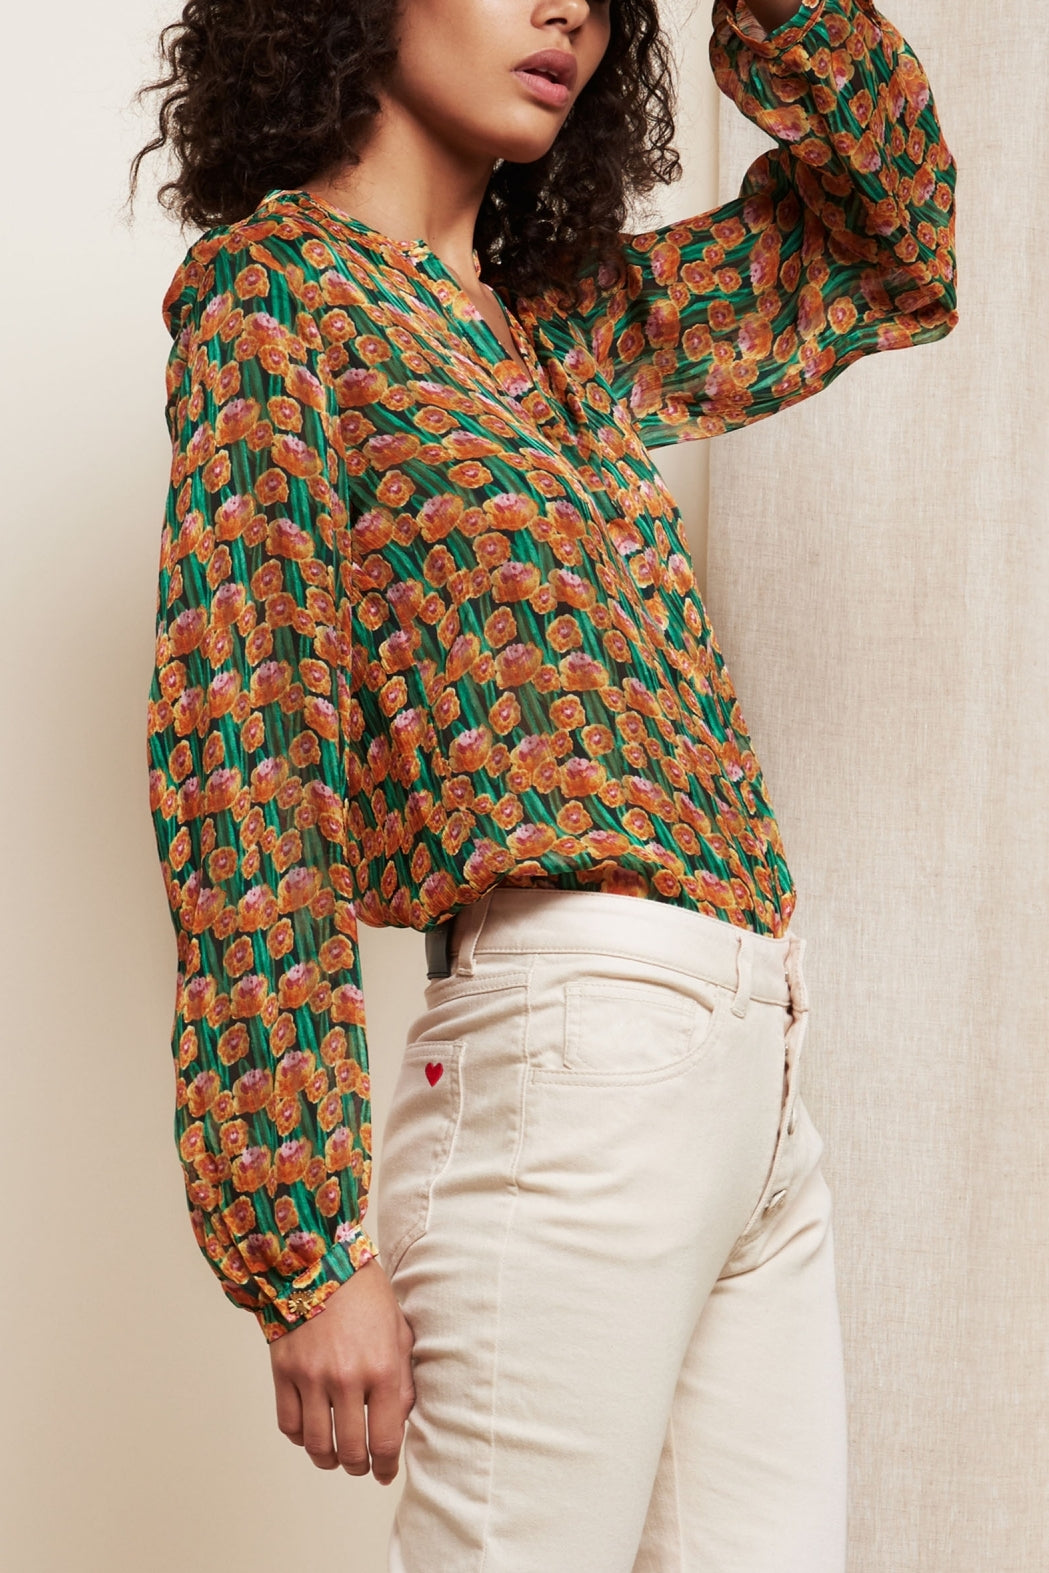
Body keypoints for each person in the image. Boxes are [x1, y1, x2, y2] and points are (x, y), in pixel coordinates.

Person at [134, 0, 957, 1566]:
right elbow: (245, 757)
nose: (566, 8)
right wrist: (299, 1241)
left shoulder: (564, 325)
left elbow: (892, 240)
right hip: (565, 1066)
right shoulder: (277, 296)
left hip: (756, 1063)